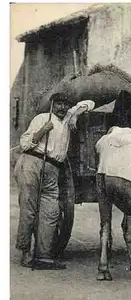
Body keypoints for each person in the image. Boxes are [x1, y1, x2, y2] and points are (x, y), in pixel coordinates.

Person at [13, 93, 95, 270]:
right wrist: (43, 131)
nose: (62, 108)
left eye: (66, 105)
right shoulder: (42, 118)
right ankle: (25, 253)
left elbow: (90, 102)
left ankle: (43, 255)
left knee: (51, 212)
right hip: (32, 163)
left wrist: (77, 112)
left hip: (53, 168)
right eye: (58, 104)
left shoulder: (67, 119)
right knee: (29, 209)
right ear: (52, 105)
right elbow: (25, 143)